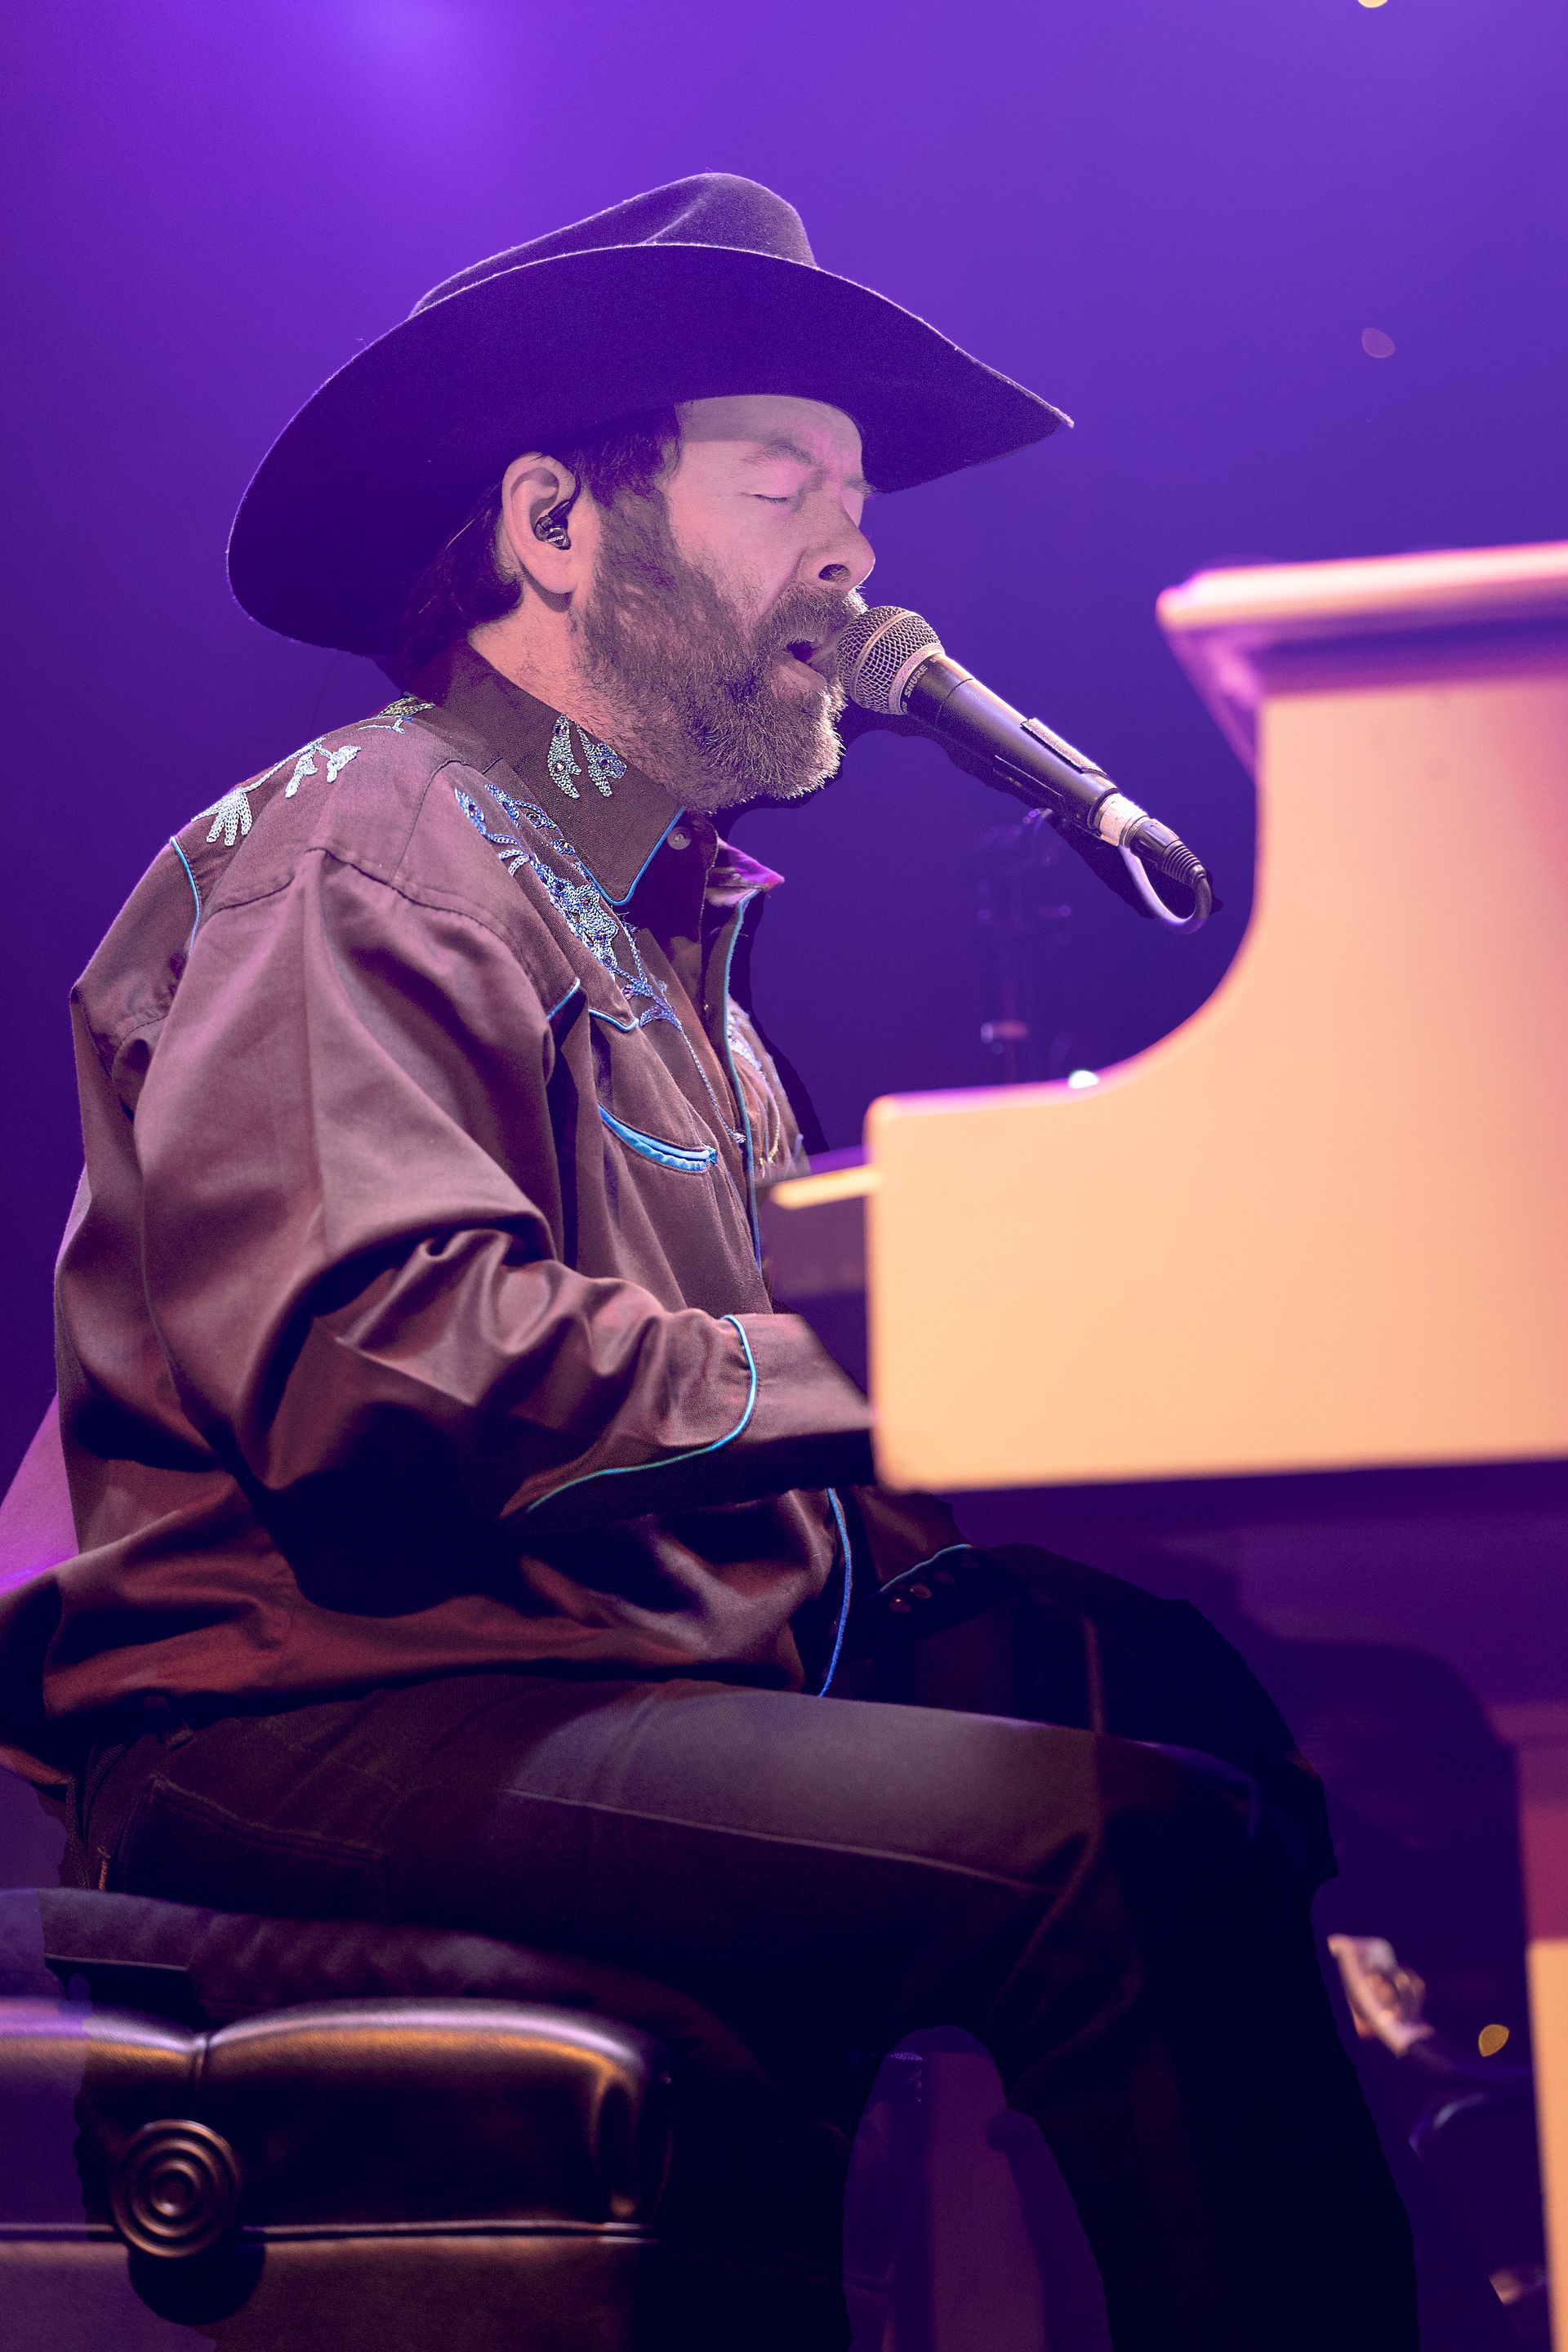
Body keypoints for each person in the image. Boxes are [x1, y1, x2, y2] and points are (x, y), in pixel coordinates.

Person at [0, 176, 1415, 2348]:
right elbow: (382, 1369)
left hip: (564, 1682)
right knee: (1119, 1860)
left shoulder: (679, 974)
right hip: (314, 1725)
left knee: (1171, 1699)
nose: (859, 560)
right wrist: (932, 1341)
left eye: (863, 506)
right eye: (791, 484)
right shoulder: (366, 837)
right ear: (557, 525)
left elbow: (758, 1437)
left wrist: (1117, 1423)